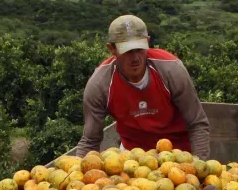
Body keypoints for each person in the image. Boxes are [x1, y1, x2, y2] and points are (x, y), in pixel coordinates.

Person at [76, 15, 211, 158]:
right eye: (127, 51)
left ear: (147, 42)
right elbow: (90, 141)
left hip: (178, 155)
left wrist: (198, 165)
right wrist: (76, 174)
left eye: (139, 49)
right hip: (132, 158)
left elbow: (197, 124)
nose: (135, 58)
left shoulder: (171, 69)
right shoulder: (100, 84)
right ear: (112, 49)